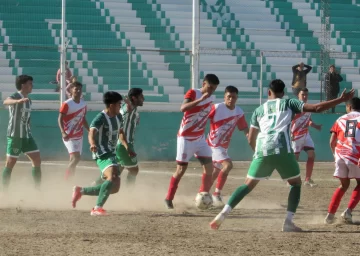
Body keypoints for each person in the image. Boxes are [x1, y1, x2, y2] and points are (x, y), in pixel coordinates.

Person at [209, 79, 354, 232]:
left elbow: (251, 138)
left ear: (268, 92)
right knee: (296, 183)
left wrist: (258, 154)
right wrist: (341, 99)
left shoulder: (259, 110)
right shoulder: (289, 103)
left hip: (262, 149)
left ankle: (223, 213)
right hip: (282, 147)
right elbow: (316, 108)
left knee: (247, 185)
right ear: (283, 93)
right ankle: (288, 222)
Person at [164, 74, 220, 209]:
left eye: (214, 89)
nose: (211, 91)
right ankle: (168, 199)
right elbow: (183, 108)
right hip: (185, 138)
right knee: (181, 170)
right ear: (204, 83)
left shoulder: (211, 98)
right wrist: (200, 99)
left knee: (209, 168)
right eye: (210, 87)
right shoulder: (193, 92)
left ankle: (202, 196)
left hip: (200, 138)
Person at [71, 91, 129, 216]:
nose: (121, 106)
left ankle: (81, 191)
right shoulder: (100, 118)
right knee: (112, 177)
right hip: (102, 152)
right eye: (119, 104)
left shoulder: (119, 117)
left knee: (114, 188)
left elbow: (121, 132)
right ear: (112, 105)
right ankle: (97, 208)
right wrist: (92, 144)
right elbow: (91, 132)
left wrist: (127, 147)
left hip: (113, 153)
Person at [207, 85, 248, 207]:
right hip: (213, 145)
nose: (231, 99)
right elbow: (203, 117)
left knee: (215, 173)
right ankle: (216, 194)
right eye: (228, 96)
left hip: (223, 147)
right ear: (224, 97)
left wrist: (250, 137)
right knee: (228, 165)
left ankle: (203, 193)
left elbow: (244, 128)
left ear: (237, 98)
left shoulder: (238, 112)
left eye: (233, 97)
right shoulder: (217, 107)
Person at [2, 75, 42, 190]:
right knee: (10, 163)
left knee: (37, 159)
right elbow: (6, 101)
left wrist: (28, 125)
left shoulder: (29, 100)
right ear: (23, 85)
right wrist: (18, 101)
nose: (32, 86)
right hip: (15, 136)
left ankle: (37, 189)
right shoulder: (16, 96)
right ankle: (4, 191)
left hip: (26, 135)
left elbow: (27, 116)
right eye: (30, 83)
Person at [324, 97, 360, 224]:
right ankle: (348, 212)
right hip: (355, 156)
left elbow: (331, 141)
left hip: (340, 155)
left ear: (349, 107)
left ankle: (330, 214)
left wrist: (335, 156)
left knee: (343, 185)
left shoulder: (340, 119)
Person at [291, 88, 322, 187]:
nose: (305, 96)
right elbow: (288, 120)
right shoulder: (294, 108)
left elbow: (308, 120)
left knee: (312, 155)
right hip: (296, 136)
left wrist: (315, 125)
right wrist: (290, 133)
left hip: (306, 135)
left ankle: (307, 180)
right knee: (295, 159)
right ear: (298, 96)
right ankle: (291, 179)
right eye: (303, 94)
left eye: (306, 95)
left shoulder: (308, 107)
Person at [58, 81, 89, 180]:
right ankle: (66, 180)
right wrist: (63, 132)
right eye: (76, 89)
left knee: (73, 159)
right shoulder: (67, 104)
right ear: (71, 90)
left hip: (79, 135)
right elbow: (60, 119)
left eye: (80, 89)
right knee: (76, 158)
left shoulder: (83, 104)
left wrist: (89, 130)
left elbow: (82, 118)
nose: (78, 91)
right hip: (69, 135)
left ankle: (71, 179)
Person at [116, 88, 144, 186]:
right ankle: (129, 194)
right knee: (134, 170)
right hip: (124, 144)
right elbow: (125, 110)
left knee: (116, 171)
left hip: (123, 144)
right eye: (141, 97)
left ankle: (95, 185)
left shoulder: (134, 110)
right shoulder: (128, 107)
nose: (143, 98)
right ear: (134, 98)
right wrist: (128, 106)